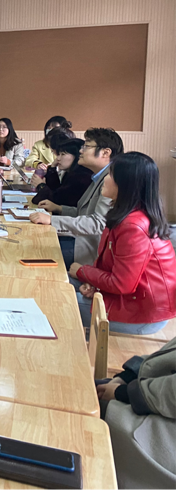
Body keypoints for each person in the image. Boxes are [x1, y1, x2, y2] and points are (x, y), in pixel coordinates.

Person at [69, 152, 176, 334]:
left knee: (57, 300)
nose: (105, 179)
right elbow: (114, 270)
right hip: (127, 300)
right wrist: (93, 283)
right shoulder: (125, 215)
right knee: (56, 282)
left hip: (140, 313)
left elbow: (121, 284)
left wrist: (82, 271)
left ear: (126, 184)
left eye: (111, 175)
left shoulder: (133, 226)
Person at [30, 128, 124, 268]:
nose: (81, 150)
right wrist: (59, 209)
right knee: (35, 240)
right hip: (79, 238)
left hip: (88, 247)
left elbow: (98, 224)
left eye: (86, 146)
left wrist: (52, 220)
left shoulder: (111, 180)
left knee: (36, 249)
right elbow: (83, 212)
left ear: (106, 152)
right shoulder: (98, 176)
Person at [97, 338, 176, 489]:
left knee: (85, 411)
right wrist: (126, 377)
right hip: (154, 398)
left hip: (165, 428)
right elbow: (164, 357)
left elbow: (170, 395)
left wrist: (123, 393)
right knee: (85, 391)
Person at [31, 137, 92, 208]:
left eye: (63, 154)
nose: (58, 158)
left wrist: (41, 185)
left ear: (77, 156)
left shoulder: (81, 177)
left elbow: (57, 200)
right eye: (58, 154)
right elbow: (56, 189)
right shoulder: (71, 172)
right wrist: (53, 167)